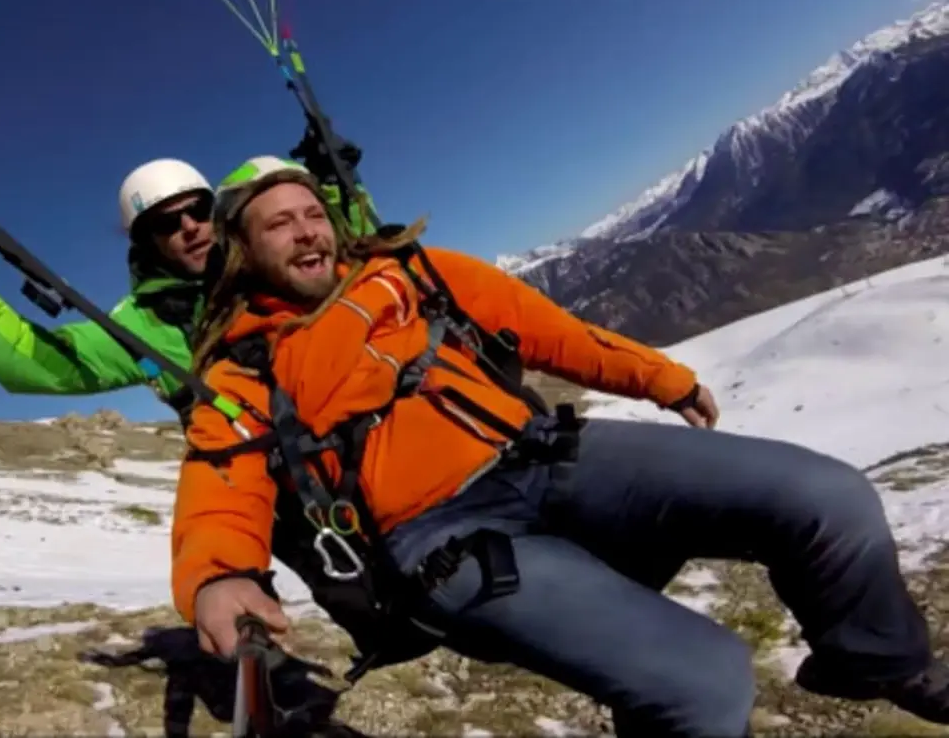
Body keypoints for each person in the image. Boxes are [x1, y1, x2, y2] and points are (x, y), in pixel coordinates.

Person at [171, 155, 949, 738]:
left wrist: (660, 378)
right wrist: (215, 579)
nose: (306, 230)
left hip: (545, 454)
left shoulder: (411, 274)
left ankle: (875, 660)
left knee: (827, 497)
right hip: (446, 538)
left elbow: (549, 332)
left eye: (312, 212)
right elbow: (220, 482)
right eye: (279, 223)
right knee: (707, 682)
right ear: (243, 251)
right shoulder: (243, 370)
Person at [0, 148, 375, 416]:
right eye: (167, 223)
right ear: (147, 244)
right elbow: (32, 361)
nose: (189, 227)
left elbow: (347, 248)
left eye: (197, 211)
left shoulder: (269, 263)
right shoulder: (142, 327)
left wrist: (334, 185)